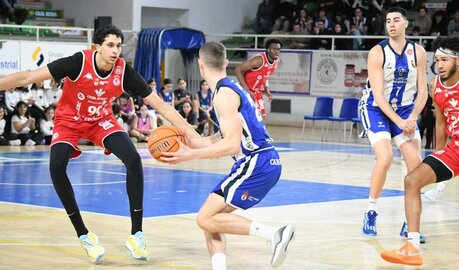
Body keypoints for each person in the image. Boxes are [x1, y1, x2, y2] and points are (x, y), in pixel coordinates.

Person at [0, 25, 199, 263]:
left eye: (119, 45)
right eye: (110, 45)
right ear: (97, 46)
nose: (116, 51)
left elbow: (163, 106)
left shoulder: (124, 72)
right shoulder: (77, 63)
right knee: (56, 166)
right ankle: (84, 235)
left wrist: (189, 131)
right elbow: (26, 77)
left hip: (101, 121)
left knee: (133, 158)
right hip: (69, 122)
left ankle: (137, 234)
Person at [160, 42, 295, 270]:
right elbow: (228, 133)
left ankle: (275, 234)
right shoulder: (230, 88)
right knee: (210, 218)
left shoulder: (224, 95)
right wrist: (198, 142)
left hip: (256, 162)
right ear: (226, 63)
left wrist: (190, 155)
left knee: (204, 219)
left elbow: (232, 146)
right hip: (261, 162)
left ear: (201, 66)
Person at [381, 36, 459, 266]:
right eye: (437, 60)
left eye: (445, 60)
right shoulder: (435, 85)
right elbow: (441, 123)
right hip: (456, 148)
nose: (440, 65)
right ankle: (412, 247)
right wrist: (439, 157)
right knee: (412, 181)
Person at [359, 7, 428, 238]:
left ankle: (411, 222)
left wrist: (413, 117)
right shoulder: (377, 52)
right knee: (386, 158)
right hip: (376, 109)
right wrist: (401, 121)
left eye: (396, 20)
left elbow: (423, 92)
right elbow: (378, 95)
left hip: (406, 109)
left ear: (406, 23)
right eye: (388, 21)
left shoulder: (418, 52)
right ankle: (371, 211)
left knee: (416, 165)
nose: (391, 24)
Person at [235, 38, 281, 118]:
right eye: (274, 49)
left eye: (278, 49)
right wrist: (247, 90)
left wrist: (266, 90)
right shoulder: (258, 60)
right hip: (246, 90)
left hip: (257, 92)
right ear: (268, 50)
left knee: (260, 118)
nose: (277, 51)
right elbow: (238, 69)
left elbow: (266, 75)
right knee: (246, 118)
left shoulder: (276, 62)